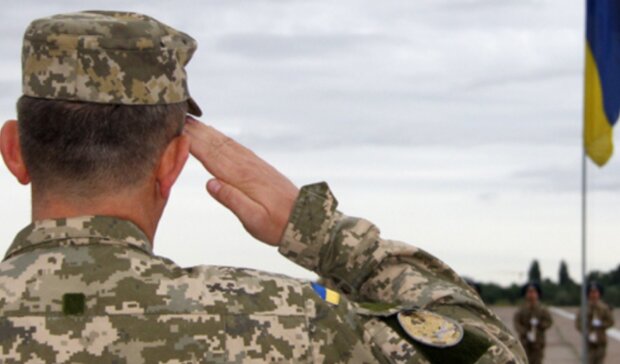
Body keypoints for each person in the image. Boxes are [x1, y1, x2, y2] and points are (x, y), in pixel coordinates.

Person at [0, 11, 526, 363]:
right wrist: (316, 230)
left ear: (14, 150)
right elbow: (493, 351)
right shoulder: (281, 320)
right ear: (174, 162)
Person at [513, 282, 553, 364]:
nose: (531, 294)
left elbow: (549, 322)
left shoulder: (542, 309)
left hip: (538, 342)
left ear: (537, 294)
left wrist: (540, 325)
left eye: (533, 292)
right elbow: (517, 323)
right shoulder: (521, 309)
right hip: (524, 342)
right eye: (529, 292)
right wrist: (525, 332)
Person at [575, 282, 615, 364]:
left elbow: (611, 322)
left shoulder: (604, 308)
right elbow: (578, 323)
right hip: (588, 342)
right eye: (591, 292)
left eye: (595, 292)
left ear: (599, 294)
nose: (593, 295)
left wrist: (601, 324)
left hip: (600, 341)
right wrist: (585, 330)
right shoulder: (584, 308)